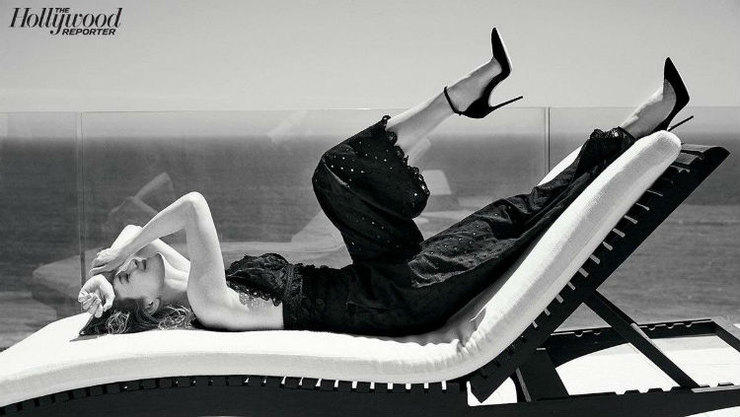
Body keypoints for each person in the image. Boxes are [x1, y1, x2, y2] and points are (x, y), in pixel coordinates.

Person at [78, 27, 689, 337]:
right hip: (394, 301)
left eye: (129, 265)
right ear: (151, 303)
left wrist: (109, 278)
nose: (133, 263)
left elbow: (138, 236)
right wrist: (120, 262)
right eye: (131, 276)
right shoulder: (210, 301)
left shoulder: (191, 282)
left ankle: (463, 99)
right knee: (517, 221)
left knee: (339, 175)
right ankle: (638, 126)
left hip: (379, 279)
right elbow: (191, 205)